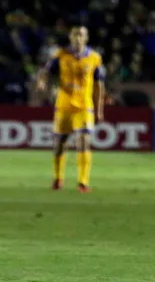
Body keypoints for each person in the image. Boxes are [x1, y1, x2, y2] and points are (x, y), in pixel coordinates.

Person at [36, 26, 105, 193]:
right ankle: (58, 178)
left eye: (81, 34)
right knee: (60, 143)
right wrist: (43, 82)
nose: (77, 37)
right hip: (64, 105)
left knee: (83, 141)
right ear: (70, 36)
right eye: (75, 34)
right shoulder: (60, 55)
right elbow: (46, 72)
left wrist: (99, 109)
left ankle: (83, 181)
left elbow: (99, 86)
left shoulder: (95, 58)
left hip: (84, 106)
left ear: (86, 38)